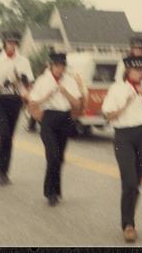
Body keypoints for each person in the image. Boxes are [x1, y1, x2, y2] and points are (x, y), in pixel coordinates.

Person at [101, 55, 142, 243]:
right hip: (123, 135)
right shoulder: (117, 88)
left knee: (136, 182)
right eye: (136, 69)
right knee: (129, 180)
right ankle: (128, 224)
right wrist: (126, 104)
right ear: (127, 70)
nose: (139, 72)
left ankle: (128, 219)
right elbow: (108, 116)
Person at [27, 51, 84, 206]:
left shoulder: (70, 81)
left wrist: (65, 92)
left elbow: (77, 104)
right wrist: (47, 96)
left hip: (64, 118)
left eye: (62, 66)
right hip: (49, 118)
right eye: (57, 66)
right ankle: (50, 192)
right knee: (52, 155)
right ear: (51, 66)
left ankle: (56, 190)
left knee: (59, 158)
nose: (60, 69)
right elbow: (32, 103)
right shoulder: (42, 80)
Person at [0, 31, 32, 186]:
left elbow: (28, 83)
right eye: (9, 42)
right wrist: (6, 83)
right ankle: (0, 170)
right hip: (0, 100)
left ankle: (4, 173)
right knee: (4, 133)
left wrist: (23, 82)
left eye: (15, 42)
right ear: (4, 43)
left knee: (9, 136)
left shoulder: (23, 61)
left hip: (15, 100)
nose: (12, 45)